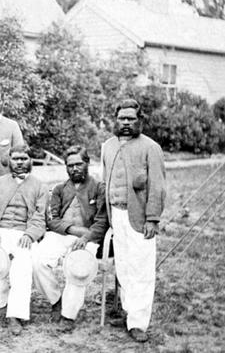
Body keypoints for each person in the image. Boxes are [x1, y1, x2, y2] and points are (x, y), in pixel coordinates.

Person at [101, 99, 166, 343]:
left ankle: (138, 323)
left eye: (131, 119)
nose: (126, 123)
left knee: (142, 269)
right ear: (115, 120)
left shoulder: (151, 147)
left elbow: (158, 187)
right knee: (125, 266)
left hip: (139, 217)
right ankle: (128, 311)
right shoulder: (108, 146)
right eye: (122, 119)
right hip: (116, 216)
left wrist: (152, 219)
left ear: (139, 120)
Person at [32, 145, 109, 332]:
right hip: (61, 235)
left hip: (88, 239)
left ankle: (68, 315)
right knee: (36, 260)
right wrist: (75, 231)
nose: (74, 168)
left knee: (78, 267)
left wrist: (87, 236)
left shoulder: (99, 188)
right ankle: (56, 299)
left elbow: (102, 221)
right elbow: (52, 220)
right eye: (70, 165)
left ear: (87, 163)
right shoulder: (59, 189)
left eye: (79, 164)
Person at [0, 144, 48, 335]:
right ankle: (3, 298)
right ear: (9, 161)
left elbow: (40, 217)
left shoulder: (39, 186)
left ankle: (15, 314)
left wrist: (30, 234)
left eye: (24, 158)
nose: (20, 163)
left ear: (30, 160)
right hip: (0, 231)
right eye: (16, 159)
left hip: (24, 234)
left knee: (22, 267)